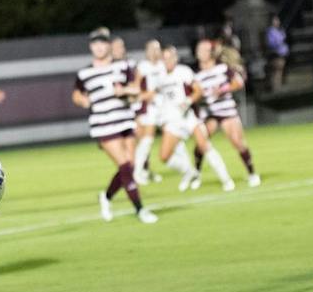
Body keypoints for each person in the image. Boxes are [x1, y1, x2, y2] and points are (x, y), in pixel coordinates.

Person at [72, 27, 157, 224]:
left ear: (109, 46)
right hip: (103, 124)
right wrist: (82, 101)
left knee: (130, 166)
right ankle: (140, 209)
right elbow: (76, 93)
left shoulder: (124, 66)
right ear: (91, 47)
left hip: (124, 119)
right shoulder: (85, 72)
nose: (99, 48)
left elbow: (137, 89)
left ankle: (106, 197)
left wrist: (124, 90)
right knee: (125, 165)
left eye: (103, 43)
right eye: (95, 44)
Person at [153, 44, 234, 192]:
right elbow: (159, 97)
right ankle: (189, 171)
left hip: (189, 117)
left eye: (170, 58)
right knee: (164, 156)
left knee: (204, 146)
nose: (167, 61)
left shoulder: (184, 72)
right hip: (172, 121)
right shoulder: (160, 77)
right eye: (164, 59)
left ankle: (226, 179)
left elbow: (198, 90)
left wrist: (188, 101)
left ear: (175, 58)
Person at [194, 38, 261, 186]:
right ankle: (196, 174)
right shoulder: (197, 75)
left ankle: (252, 173)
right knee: (201, 143)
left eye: (202, 50)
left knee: (237, 141)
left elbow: (238, 82)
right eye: (198, 50)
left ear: (210, 53)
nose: (199, 53)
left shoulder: (223, 68)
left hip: (226, 109)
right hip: (209, 113)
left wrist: (222, 89)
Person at [132, 38, 165, 185]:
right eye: (151, 49)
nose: (154, 52)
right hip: (147, 107)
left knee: (150, 141)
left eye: (157, 49)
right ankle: (140, 171)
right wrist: (146, 96)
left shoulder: (164, 65)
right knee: (145, 141)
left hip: (164, 107)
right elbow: (136, 89)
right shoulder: (143, 67)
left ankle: (141, 171)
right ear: (146, 52)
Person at [264, 14, 289, 89]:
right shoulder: (270, 31)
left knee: (280, 72)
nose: (277, 22)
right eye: (275, 20)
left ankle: (278, 87)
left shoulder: (278, 30)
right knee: (276, 72)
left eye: (278, 20)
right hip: (276, 54)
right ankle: (275, 88)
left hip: (282, 55)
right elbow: (271, 43)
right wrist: (280, 40)